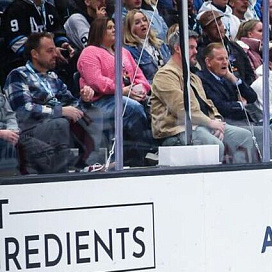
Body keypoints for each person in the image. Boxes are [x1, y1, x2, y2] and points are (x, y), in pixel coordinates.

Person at [150, 30, 258, 163]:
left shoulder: (194, 77)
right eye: (191, 47)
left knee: (244, 137)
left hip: (203, 124)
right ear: (178, 48)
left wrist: (217, 121)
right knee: (214, 145)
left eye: (195, 47)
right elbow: (182, 109)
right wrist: (210, 123)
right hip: (177, 130)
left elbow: (209, 104)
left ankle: (236, 179)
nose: (196, 51)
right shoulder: (165, 76)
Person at [4, 32, 103, 174]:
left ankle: (88, 164)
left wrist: (84, 100)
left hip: (54, 124)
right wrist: (59, 111)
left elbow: (72, 104)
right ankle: (59, 174)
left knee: (94, 112)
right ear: (35, 54)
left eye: (54, 49)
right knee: (60, 123)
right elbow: (23, 111)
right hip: (29, 130)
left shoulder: (52, 77)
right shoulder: (19, 75)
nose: (55, 54)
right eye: (49, 51)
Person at [197, 42, 272, 160]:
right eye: (220, 59)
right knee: (262, 132)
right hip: (228, 124)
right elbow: (221, 106)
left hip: (246, 124)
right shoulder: (202, 79)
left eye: (226, 58)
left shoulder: (227, 78)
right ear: (208, 62)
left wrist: (234, 79)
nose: (225, 62)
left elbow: (252, 96)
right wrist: (241, 104)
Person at [77, 17, 155, 165]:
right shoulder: (89, 52)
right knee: (133, 108)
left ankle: (146, 150)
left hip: (128, 95)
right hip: (100, 102)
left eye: (114, 27)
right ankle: (142, 153)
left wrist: (141, 89)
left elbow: (139, 75)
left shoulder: (123, 52)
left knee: (153, 105)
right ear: (99, 31)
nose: (114, 30)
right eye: (109, 27)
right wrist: (123, 90)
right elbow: (96, 81)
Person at [124, 9, 172, 82]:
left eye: (144, 20)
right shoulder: (129, 51)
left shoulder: (161, 44)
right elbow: (137, 80)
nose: (143, 24)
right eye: (137, 23)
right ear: (130, 29)